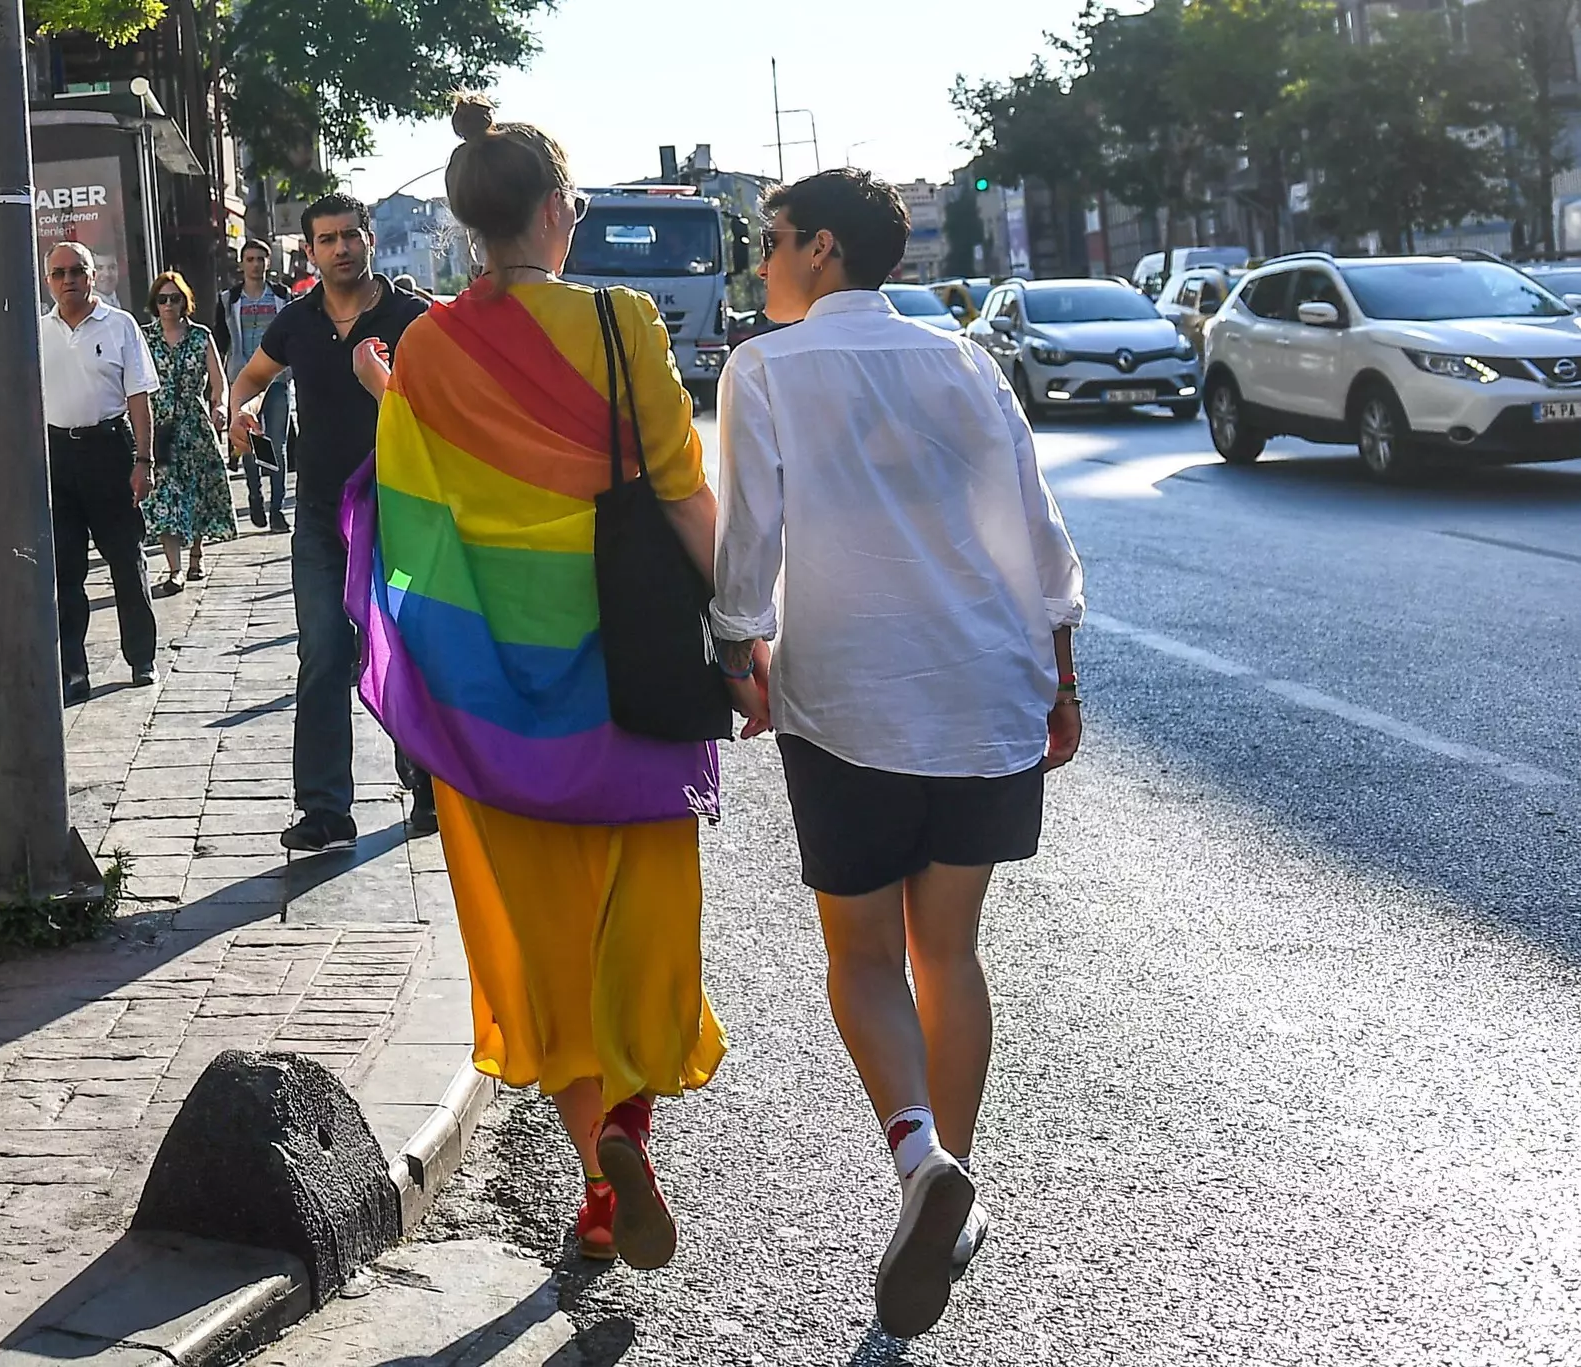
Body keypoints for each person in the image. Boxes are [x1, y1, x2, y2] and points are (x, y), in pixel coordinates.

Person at [347, 95, 726, 1271]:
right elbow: (679, 489)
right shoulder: (622, 321)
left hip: (490, 704)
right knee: (638, 935)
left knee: (543, 948)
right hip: (632, 680)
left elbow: (414, 518)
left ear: (466, 223)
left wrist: (394, 398)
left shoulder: (424, 351)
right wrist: (751, 635)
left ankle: (598, 1181)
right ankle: (627, 1132)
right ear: (558, 211)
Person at [709, 169, 1085, 1338]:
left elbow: (748, 547)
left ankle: (921, 1161)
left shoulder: (764, 369)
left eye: (769, 242)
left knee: (864, 954)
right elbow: (1034, 534)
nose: (758, 264)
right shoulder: (965, 362)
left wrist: (736, 652)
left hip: (852, 704)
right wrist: (1061, 682)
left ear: (820, 248)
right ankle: (952, 1185)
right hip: (986, 693)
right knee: (950, 951)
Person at [228, 196, 436, 853]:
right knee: (322, 651)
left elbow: (447, 408)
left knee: (412, 650)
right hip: (320, 514)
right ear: (310, 251)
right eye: (327, 239)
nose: (341, 247)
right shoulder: (295, 323)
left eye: (351, 235)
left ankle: (429, 784)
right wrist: (245, 409)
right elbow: (252, 379)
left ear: (369, 240)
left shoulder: (412, 318)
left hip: (400, 509)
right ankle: (324, 810)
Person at [40, 240, 162, 703]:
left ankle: (141, 657)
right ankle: (73, 669)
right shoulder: (38, 329)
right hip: (57, 455)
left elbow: (138, 399)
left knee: (125, 561)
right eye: (59, 273)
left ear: (93, 276)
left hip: (109, 451)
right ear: (48, 280)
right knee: (65, 570)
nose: (68, 280)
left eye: (77, 271)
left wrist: (143, 462)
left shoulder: (120, 326)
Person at [142, 271, 237, 594]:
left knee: (195, 493)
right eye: (163, 299)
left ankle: (195, 553)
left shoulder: (200, 336)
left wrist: (220, 406)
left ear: (185, 301)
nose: (169, 305)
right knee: (165, 495)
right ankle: (174, 569)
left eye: (175, 298)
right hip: (159, 427)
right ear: (155, 304)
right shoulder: (145, 339)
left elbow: (218, 380)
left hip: (193, 425)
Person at [210, 239, 294, 531]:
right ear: (242, 264)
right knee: (250, 442)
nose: (256, 264)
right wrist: (216, 385)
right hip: (244, 381)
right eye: (250, 259)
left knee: (277, 445)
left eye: (261, 259)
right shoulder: (229, 299)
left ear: (268, 263)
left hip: (278, 380)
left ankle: (277, 507)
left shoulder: (282, 296)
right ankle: (255, 495)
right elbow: (220, 341)